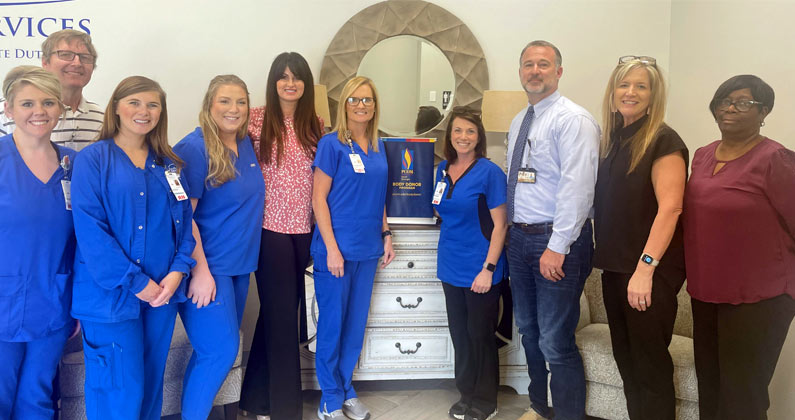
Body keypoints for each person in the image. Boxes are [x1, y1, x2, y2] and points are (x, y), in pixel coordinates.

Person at [70, 76, 195, 420]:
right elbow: (91, 232)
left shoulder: (169, 165)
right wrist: (137, 283)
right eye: (134, 102)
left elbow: (185, 224)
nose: (144, 111)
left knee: (151, 385)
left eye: (153, 104)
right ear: (116, 108)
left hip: (162, 295)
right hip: (110, 295)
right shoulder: (93, 160)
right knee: (118, 390)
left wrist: (177, 271)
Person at [683, 75, 795, 420]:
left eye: (743, 102)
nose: (730, 108)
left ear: (764, 112)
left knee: (743, 395)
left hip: (760, 298)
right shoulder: (701, 156)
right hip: (706, 294)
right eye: (723, 101)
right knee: (712, 387)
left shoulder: (777, 159)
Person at [506, 40, 599, 420]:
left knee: (555, 341)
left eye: (543, 64)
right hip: (519, 238)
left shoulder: (572, 119)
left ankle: (567, 414)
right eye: (528, 64)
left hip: (556, 242)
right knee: (528, 331)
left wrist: (558, 246)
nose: (535, 71)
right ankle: (540, 407)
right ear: (521, 72)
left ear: (559, 71)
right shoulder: (519, 120)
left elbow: (578, 188)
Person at [592, 56, 688, 420]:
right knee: (627, 361)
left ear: (653, 95)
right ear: (613, 91)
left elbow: (671, 210)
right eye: (624, 84)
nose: (630, 92)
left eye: (640, 86)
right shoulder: (614, 139)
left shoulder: (663, 140)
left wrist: (645, 270)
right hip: (616, 270)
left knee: (649, 367)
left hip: (648, 274)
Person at [172, 75, 264, 420]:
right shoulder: (194, 149)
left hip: (240, 266)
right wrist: (200, 271)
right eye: (225, 101)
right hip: (208, 268)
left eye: (241, 101)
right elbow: (184, 218)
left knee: (212, 351)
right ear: (209, 105)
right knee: (220, 351)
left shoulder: (247, 144)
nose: (233, 109)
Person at [239, 52, 323, 420]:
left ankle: (255, 400)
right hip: (268, 230)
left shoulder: (316, 125)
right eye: (283, 77)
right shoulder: (255, 119)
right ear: (274, 83)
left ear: (306, 83)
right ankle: (286, 410)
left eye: (297, 77)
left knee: (278, 314)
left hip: (304, 230)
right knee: (284, 318)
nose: (291, 83)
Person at [312, 76, 395, 420]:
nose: (362, 105)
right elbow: (318, 200)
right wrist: (331, 247)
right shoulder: (331, 145)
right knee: (332, 324)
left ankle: (346, 389)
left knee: (355, 325)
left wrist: (386, 234)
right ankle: (329, 397)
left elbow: (380, 198)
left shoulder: (379, 146)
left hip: (368, 249)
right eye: (355, 99)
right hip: (336, 251)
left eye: (368, 100)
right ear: (344, 104)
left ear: (375, 106)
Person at [0, 66, 77, 420]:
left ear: (60, 108)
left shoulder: (73, 165)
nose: (39, 111)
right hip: (4, 300)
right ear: (8, 109)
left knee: (38, 396)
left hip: (54, 300)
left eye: (48, 102)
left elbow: (84, 241)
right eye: (27, 103)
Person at [433, 107, 507, 420]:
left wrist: (488, 270)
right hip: (450, 265)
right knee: (460, 335)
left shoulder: (489, 173)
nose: (464, 137)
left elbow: (501, 226)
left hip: (481, 269)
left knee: (480, 335)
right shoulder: (441, 170)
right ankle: (466, 393)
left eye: (470, 132)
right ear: (450, 136)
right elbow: (439, 210)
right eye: (458, 131)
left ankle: (485, 401)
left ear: (479, 138)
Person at [0, 29, 103, 150]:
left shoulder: (100, 118)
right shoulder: (6, 111)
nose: (77, 63)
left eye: (85, 57)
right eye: (65, 55)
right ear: (45, 62)